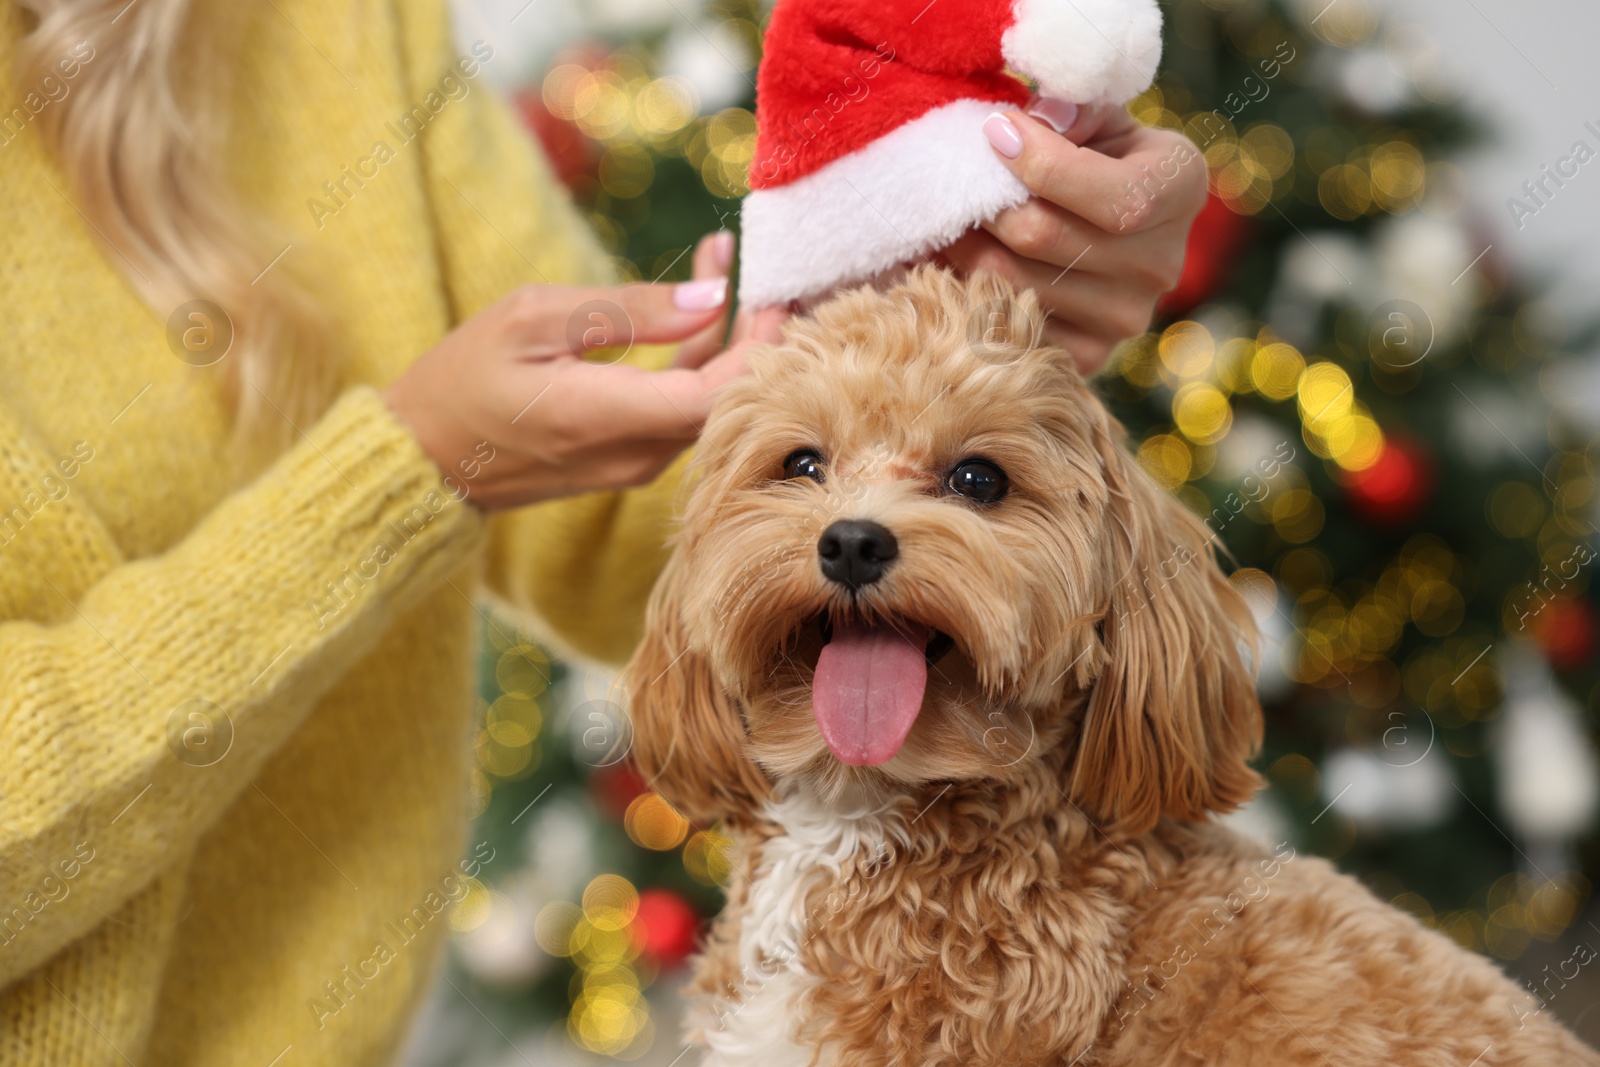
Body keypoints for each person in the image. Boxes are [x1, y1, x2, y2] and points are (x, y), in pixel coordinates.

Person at [0, 0, 1207, 1063]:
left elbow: (629, 543)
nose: (855, 528)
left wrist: (921, 276)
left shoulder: (341, 20)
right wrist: (405, 471)